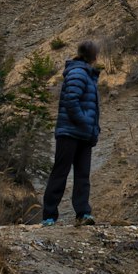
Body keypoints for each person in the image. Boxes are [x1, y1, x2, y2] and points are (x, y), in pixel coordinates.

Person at [41, 40, 101, 225]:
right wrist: (85, 122)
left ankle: (83, 213)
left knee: (82, 176)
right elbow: (71, 101)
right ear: (91, 55)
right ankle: (49, 216)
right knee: (60, 173)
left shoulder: (87, 74)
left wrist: (92, 129)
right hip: (69, 132)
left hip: (83, 134)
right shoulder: (78, 73)